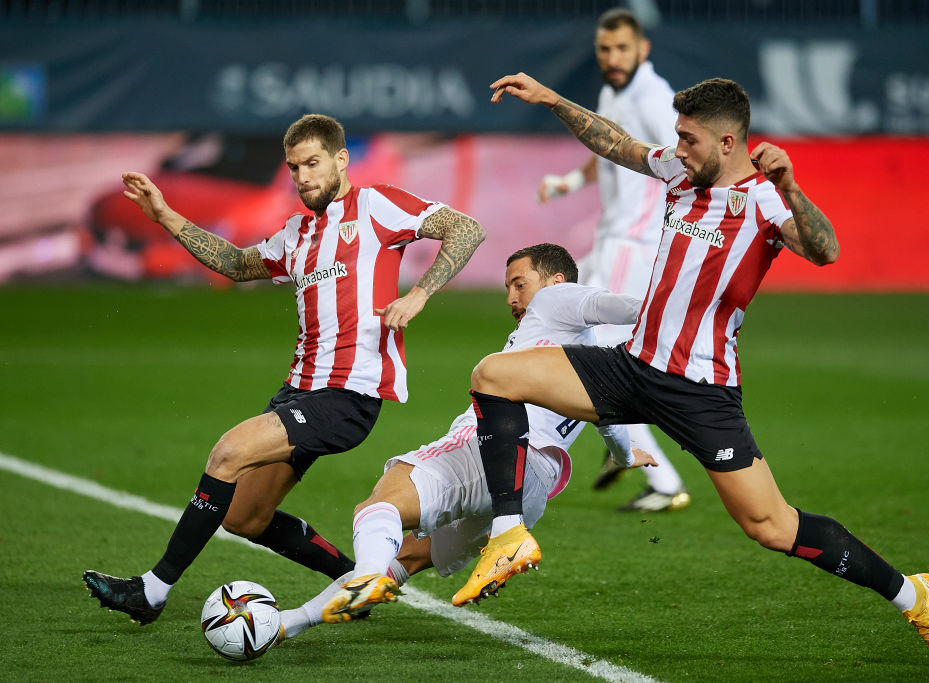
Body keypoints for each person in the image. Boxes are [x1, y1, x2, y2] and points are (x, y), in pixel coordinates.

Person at [453, 74, 929, 670]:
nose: (676, 147)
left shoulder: (766, 201)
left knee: (772, 526)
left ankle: (913, 595)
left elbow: (826, 250)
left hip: (701, 390)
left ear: (727, 143)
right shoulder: (679, 171)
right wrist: (552, 101)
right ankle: (509, 535)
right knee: (495, 374)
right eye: (677, 137)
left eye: (688, 139)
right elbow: (617, 145)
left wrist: (793, 188)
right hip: (633, 365)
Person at [83, 113, 486, 626]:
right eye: (294, 167)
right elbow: (233, 263)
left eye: (313, 163)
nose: (302, 177)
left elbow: (466, 228)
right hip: (297, 393)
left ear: (342, 160)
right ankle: (355, 581)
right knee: (244, 517)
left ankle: (152, 591)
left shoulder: (376, 205)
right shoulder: (296, 233)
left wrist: (420, 293)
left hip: (347, 395)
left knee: (227, 452)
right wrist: (164, 215)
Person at [274, 243, 655, 637]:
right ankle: (287, 624)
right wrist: (625, 458)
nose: (511, 297)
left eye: (519, 284)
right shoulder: (596, 359)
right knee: (406, 556)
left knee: (382, 502)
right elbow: (609, 423)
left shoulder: (556, 299)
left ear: (555, 280)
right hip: (532, 490)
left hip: (492, 453)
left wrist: (671, 313)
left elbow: (621, 305)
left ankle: (367, 576)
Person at [538, 8, 689, 512]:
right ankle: (620, 440)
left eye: (622, 48)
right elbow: (608, 144)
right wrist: (571, 181)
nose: (613, 58)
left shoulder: (653, 97)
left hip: (637, 243)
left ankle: (650, 467)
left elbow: (685, 161)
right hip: (612, 239)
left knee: (599, 353)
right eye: (605, 49)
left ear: (642, 49)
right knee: (574, 329)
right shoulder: (613, 93)